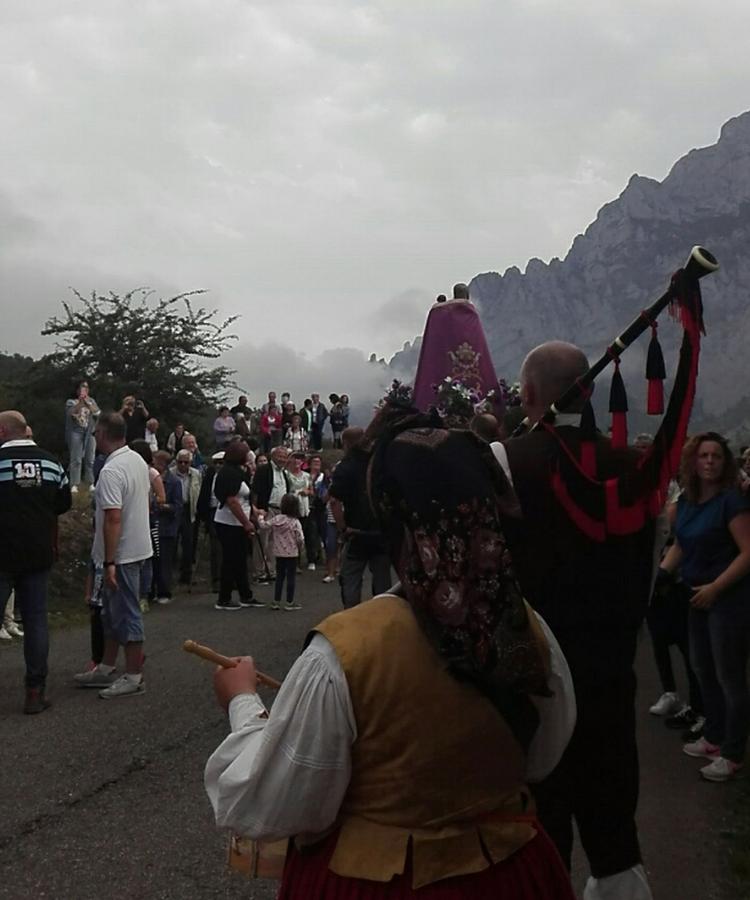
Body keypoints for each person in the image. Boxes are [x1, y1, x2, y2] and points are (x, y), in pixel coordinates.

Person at [204, 403, 577, 900]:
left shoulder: (346, 652)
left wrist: (243, 704)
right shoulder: (531, 629)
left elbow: (272, 803)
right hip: (510, 877)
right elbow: (543, 758)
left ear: (390, 516)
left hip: (377, 885)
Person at [494, 341, 655, 900]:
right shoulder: (631, 466)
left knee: (541, 816)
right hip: (611, 662)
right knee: (614, 815)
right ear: (587, 391)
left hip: (536, 667)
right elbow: (642, 568)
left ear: (529, 394)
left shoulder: (506, 462)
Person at [659, 433, 750, 782]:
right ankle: (714, 736)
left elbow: (747, 552)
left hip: (729, 597)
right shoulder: (685, 503)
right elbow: (681, 545)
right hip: (695, 595)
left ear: (724, 462)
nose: (710, 461)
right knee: (702, 669)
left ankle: (733, 752)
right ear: (692, 463)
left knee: (730, 677)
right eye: (703, 456)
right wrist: (662, 576)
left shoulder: (732, 503)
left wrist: (716, 588)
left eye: (716, 456)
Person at [73, 412, 152, 699]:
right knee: (109, 613)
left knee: (126, 612)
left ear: (104, 433)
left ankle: (133, 675)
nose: (93, 437)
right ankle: (106, 666)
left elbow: (113, 518)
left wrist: (108, 561)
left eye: (96, 433)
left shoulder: (110, 470)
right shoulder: (137, 460)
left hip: (121, 554)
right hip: (136, 548)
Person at [0, 410, 71, 713]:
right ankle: (34, 691)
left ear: (3, 431)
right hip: (39, 552)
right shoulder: (52, 462)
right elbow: (63, 503)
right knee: (36, 620)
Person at [329, 427, 391, 607]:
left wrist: (342, 528)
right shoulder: (379, 464)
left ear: (346, 443)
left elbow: (334, 501)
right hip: (380, 532)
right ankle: (384, 617)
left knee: (350, 579)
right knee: (382, 581)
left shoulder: (345, 466)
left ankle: (352, 617)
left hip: (356, 532)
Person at [213, 440, 262, 610]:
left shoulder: (238, 472)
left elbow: (244, 498)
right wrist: (246, 522)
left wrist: (253, 513)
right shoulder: (229, 474)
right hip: (229, 522)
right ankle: (224, 598)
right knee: (230, 560)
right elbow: (232, 501)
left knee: (240, 559)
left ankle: (245, 595)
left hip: (238, 521)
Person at [252, 446, 292, 581]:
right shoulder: (264, 470)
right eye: (280, 456)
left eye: (285, 457)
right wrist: (257, 510)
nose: (282, 459)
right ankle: (259, 572)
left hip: (280, 511)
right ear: (273, 456)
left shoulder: (284, 473)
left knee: (274, 542)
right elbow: (255, 492)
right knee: (261, 541)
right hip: (266, 509)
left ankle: (271, 570)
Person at [149, 451, 183, 605]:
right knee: (152, 560)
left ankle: (164, 591)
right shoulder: (150, 479)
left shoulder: (174, 482)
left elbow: (177, 506)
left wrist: (160, 505)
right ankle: (150, 591)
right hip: (152, 525)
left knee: (164, 562)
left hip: (166, 527)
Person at [264, 494, 304, 611]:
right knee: (291, 577)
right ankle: (289, 602)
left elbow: (264, 525)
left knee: (280, 577)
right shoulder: (295, 522)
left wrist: (260, 517)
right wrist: (300, 547)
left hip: (278, 552)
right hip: (292, 553)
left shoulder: (277, 519)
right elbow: (300, 538)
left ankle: (276, 601)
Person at [170, 449, 202, 586]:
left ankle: (186, 575)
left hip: (189, 509)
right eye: (180, 462)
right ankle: (169, 574)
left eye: (186, 462)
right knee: (172, 543)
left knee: (188, 544)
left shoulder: (196, 474)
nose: (183, 465)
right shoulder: (171, 473)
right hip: (174, 509)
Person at [65, 380, 100, 493]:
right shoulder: (71, 402)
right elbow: (71, 414)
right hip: (76, 431)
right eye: (82, 387)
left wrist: (88, 403)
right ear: (77, 390)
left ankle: (90, 482)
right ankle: (74, 484)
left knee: (90, 459)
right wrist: (80, 402)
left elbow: (97, 413)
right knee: (76, 459)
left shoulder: (92, 401)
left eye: (86, 387)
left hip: (90, 432)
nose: (84, 389)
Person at [197, 450, 224, 592]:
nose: (219, 466)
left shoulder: (230, 476)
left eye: (221, 463)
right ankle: (217, 580)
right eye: (217, 463)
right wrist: (204, 517)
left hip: (227, 512)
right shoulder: (210, 476)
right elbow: (204, 495)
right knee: (216, 548)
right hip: (214, 513)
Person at [285, 452, 315, 569]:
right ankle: (295, 562)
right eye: (295, 459)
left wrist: (307, 492)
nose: (297, 461)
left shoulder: (307, 476)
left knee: (309, 534)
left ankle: (311, 559)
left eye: (299, 459)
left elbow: (311, 491)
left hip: (305, 506)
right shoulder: (286, 475)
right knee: (293, 535)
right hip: (292, 506)